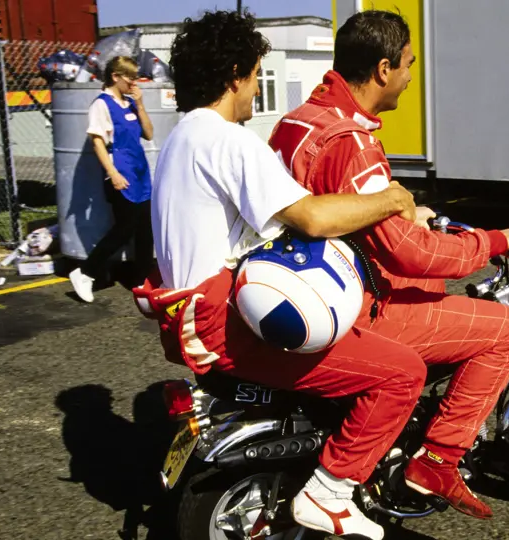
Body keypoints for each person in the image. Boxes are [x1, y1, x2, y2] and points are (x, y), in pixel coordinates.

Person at [132, 11, 426, 540]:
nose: (255, 91)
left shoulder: (181, 137)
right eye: (256, 76)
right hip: (227, 326)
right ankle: (330, 493)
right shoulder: (229, 140)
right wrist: (391, 198)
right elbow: (312, 214)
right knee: (401, 371)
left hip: (187, 322)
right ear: (237, 75)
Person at [268, 10, 509, 521]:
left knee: (433, 285)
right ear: (383, 68)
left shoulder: (299, 121)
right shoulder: (352, 142)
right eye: (410, 63)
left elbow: (337, 205)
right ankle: (437, 460)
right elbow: (410, 252)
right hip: (353, 305)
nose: (412, 75)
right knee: (505, 328)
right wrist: (494, 240)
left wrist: (410, 212)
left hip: (297, 282)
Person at [68, 56, 155, 303]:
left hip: (139, 172)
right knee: (124, 229)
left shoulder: (129, 103)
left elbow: (148, 133)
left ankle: (142, 281)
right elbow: (97, 141)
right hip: (120, 173)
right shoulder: (101, 105)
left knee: (145, 230)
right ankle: (85, 272)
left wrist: (140, 105)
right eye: (130, 77)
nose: (133, 83)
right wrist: (113, 174)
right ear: (116, 76)